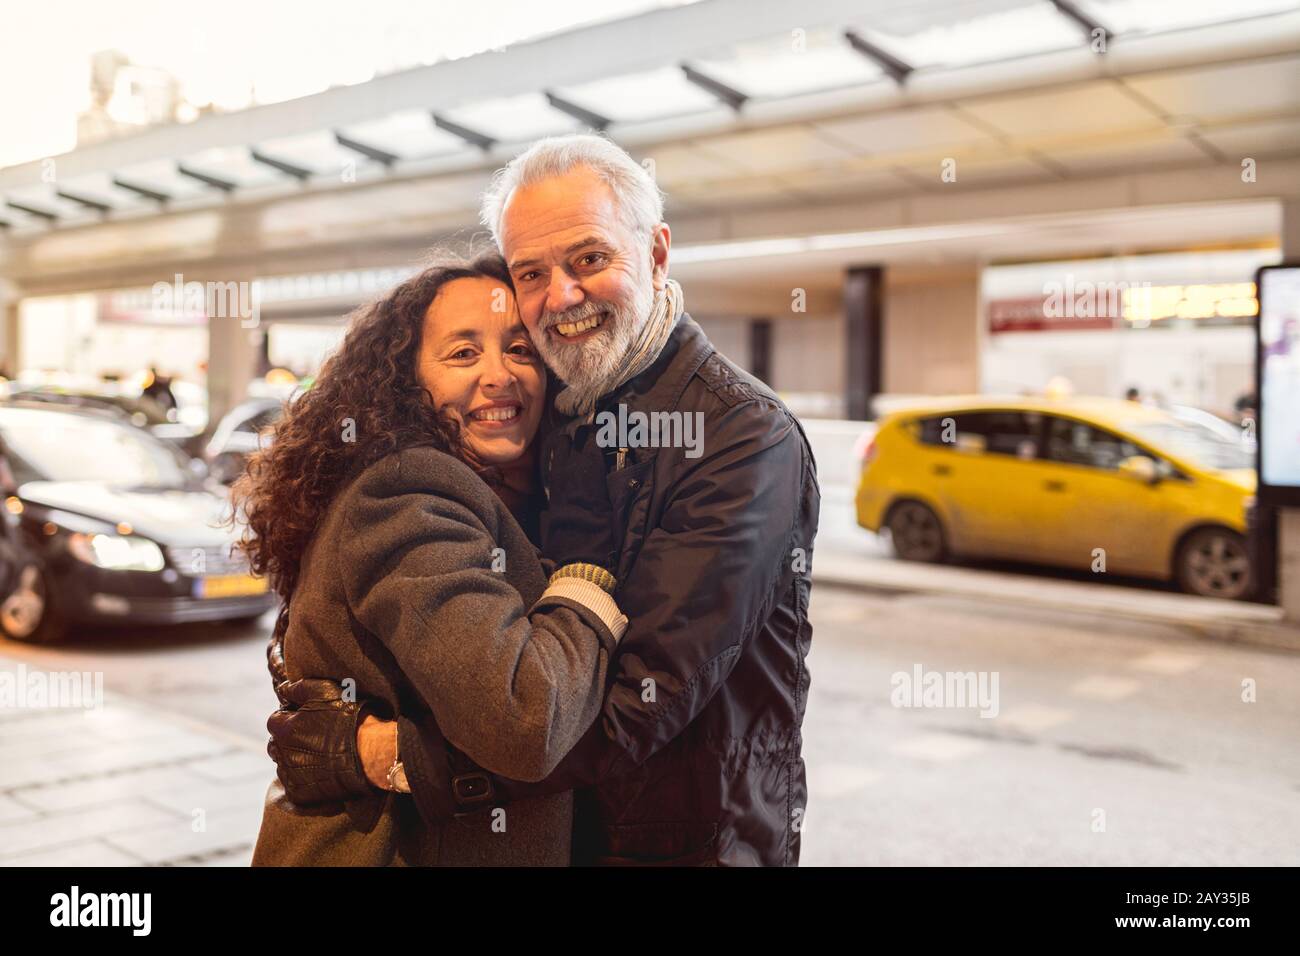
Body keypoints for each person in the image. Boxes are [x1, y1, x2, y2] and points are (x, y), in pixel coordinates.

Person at [268, 134, 820, 866]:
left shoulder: (739, 437)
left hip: (686, 846)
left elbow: (628, 708)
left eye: (589, 258)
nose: (561, 296)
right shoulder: (556, 406)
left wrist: (375, 754)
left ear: (656, 254)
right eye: (533, 273)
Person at [240, 253, 631, 866]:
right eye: (463, 354)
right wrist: (583, 578)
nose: (500, 374)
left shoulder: (496, 492)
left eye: (520, 350)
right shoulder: (408, 490)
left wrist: (384, 752)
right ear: (405, 382)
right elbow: (525, 719)